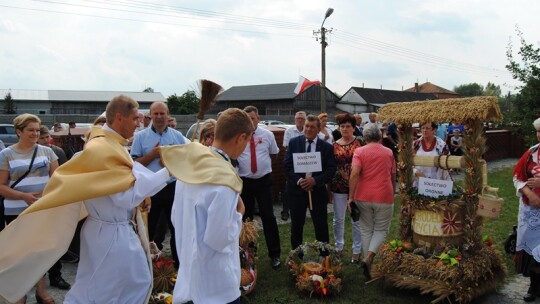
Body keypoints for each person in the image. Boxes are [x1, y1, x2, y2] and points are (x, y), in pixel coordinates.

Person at [0, 95, 169, 304]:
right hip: (109, 231)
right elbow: (123, 197)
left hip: (110, 229)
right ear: (119, 117)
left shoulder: (110, 144)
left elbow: (131, 176)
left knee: (125, 284)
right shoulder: (103, 148)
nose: (140, 124)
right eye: (136, 118)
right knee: (104, 289)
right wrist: (167, 172)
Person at [162, 108, 254, 304]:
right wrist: (239, 213)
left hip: (189, 272)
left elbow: (175, 218)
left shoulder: (189, 167)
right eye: (248, 141)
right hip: (216, 285)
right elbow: (219, 239)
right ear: (241, 137)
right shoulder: (225, 179)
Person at [0, 114, 61, 303]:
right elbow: (1, 186)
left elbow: (59, 179)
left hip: (42, 211)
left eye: (37, 129)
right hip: (16, 211)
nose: (35, 133)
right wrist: (23, 197)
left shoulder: (48, 152)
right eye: (30, 130)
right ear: (19, 132)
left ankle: (41, 292)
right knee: (19, 254)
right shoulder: (6, 154)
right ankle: (20, 293)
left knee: (38, 253)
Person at [131, 101, 187, 268]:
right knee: (148, 230)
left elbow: (185, 161)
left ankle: (179, 267)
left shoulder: (177, 136)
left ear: (167, 114)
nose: (159, 117)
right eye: (155, 114)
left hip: (172, 188)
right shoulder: (140, 137)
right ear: (150, 115)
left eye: (162, 113)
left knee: (177, 228)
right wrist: (151, 156)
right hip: (151, 190)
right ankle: (147, 268)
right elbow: (134, 164)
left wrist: (169, 162)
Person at [348, 124, 396, 280]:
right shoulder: (388, 152)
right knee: (381, 229)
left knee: (366, 229)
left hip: (363, 195)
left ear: (365, 137)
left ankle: (367, 260)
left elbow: (354, 174)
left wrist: (351, 197)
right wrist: (393, 191)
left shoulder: (359, 151)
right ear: (379, 137)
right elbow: (393, 175)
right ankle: (369, 258)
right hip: (384, 195)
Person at [284, 115, 336, 251]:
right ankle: (296, 257)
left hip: (317, 192)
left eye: (312, 127)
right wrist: (299, 180)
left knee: (321, 226)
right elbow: (287, 166)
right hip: (296, 191)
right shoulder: (294, 143)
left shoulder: (326, 147)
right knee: (296, 225)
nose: (308, 129)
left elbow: (331, 170)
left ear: (319, 129)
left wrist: (315, 180)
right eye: (307, 126)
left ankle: (324, 257)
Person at [238, 106, 281, 269]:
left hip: (263, 181)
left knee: (268, 217)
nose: (250, 121)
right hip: (245, 182)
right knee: (246, 220)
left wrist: (264, 167)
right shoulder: (239, 135)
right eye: (246, 118)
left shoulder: (267, 135)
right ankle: (249, 254)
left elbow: (274, 154)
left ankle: (275, 254)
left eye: (253, 118)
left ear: (258, 118)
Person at [513, 117, 540, 302]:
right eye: (538, 132)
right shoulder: (531, 153)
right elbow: (517, 176)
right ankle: (534, 286)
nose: (539, 135)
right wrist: (529, 193)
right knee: (532, 251)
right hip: (531, 212)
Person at [330, 113, 362, 263]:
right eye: (342, 126)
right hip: (338, 186)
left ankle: (356, 250)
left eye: (348, 126)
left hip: (357, 186)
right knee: (338, 219)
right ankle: (339, 247)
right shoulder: (334, 145)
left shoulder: (360, 143)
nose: (345, 129)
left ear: (354, 128)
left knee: (356, 219)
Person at [281, 111, 307, 221]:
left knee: (305, 184)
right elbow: (286, 146)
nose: (300, 120)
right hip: (292, 161)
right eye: (298, 118)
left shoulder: (308, 130)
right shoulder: (289, 131)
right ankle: (285, 210)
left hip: (305, 161)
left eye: (302, 118)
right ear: (294, 120)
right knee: (289, 186)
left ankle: (302, 209)